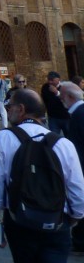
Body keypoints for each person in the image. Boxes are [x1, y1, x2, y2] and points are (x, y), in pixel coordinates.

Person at [0, 88, 84, 262]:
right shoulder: (63, 143)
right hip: (56, 219)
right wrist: (73, 218)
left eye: (9, 107)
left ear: (21, 109)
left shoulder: (3, 138)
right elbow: (77, 188)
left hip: (19, 220)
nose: (8, 111)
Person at [59, 81, 84, 254]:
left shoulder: (78, 115)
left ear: (69, 97)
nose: (61, 100)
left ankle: (80, 240)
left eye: (62, 97)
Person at [44, 71, 71, 137]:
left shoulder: (65, 87)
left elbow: (67, 100)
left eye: (52, 80)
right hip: (53, 118)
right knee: (54, 138)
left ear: (58, 79)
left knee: (70, 137)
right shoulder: (45, 87)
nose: (50, 82)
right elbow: (44, 101)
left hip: (66, 117)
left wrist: (56, 92)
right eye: (49, 79)